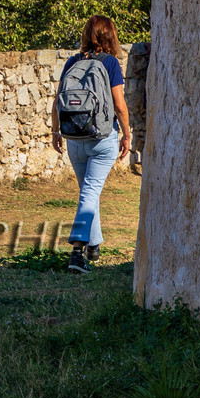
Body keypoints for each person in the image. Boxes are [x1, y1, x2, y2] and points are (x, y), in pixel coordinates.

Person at [50, 15, 132, 274]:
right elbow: (119, 105)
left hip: (74, 137)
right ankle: (77, 252)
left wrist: (56, 131)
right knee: (90, 192)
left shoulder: (73, 61)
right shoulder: (110, 63)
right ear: (110, 36)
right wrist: (127, 134)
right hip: (102, 138)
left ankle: (94, 245)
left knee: (88, 192)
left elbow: (58, 100)